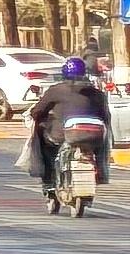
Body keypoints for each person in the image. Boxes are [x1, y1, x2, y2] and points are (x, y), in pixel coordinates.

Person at [24, 55, 110, 193]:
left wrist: (36, 115)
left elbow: (38, 111)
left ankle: (48, 180)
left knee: (43, 137)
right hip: (95, 136)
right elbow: (106, 116)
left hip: (62, 135)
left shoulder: (56, 90)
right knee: (103, 144)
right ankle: (100, 171)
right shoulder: (97, 93)